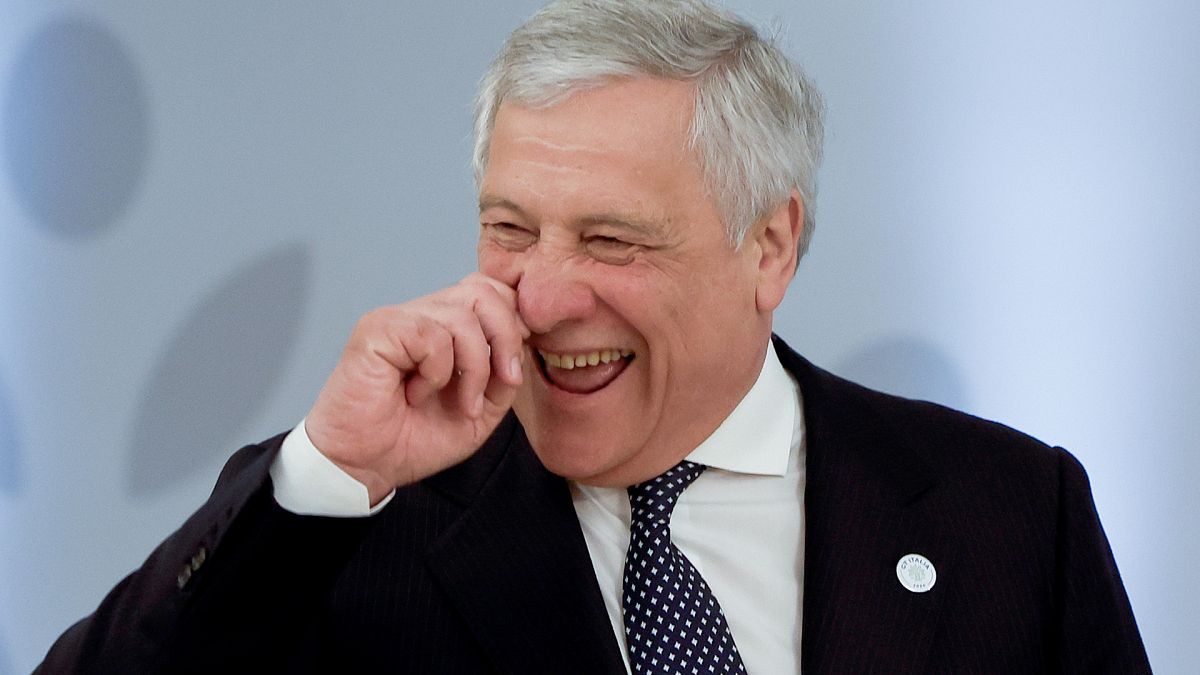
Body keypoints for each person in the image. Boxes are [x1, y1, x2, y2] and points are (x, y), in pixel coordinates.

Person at [39, 0, 1149, 672]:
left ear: (770, 246)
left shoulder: (1011, 512)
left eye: (613, 241)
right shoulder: (351, 520)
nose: (545, 297)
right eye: (510, 231)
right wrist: (331, 471)